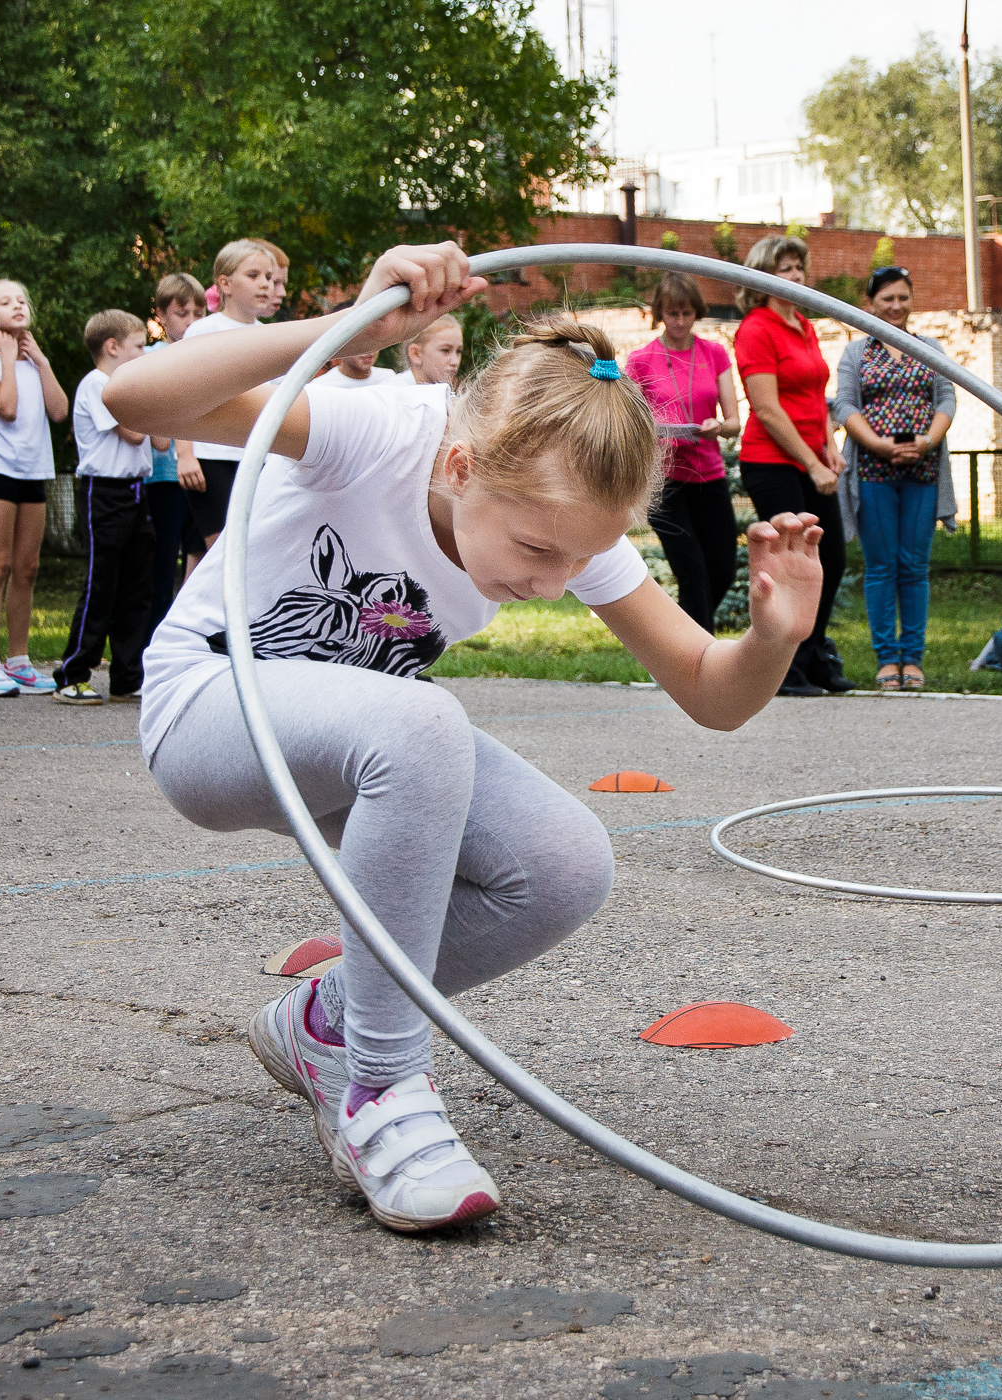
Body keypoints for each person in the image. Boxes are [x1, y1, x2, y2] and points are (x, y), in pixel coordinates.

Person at [108, 242, 826, 1234]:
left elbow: (712, 692)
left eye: (574, 558)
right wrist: (348, 332)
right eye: (536, 550)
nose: (550, 579)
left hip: (366, 747)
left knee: (565, 864)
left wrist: (772, 639)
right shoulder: (379, 430)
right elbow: (131, 399)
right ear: (458, 464)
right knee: (424, 722)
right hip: (211, 708)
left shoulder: (563, 519)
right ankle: (383, 1093)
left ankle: (327, 1026)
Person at [734, 234, 851, 695]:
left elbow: (814, 395)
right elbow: (767, 409)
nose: (796, 276)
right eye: (785, 269)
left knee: (833, 560)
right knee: (789, 568)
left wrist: (830, 446)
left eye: (799, 268)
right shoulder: (756, 328)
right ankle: (785, 668)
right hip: (772, 462)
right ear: (763, 278)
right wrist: (811, 463)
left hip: (811, 460)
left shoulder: (803, 324)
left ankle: (813, 654)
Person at [833, 266, 956, 691]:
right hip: (873, 472)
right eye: (887, 298)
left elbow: (947, 399)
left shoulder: (930, 348)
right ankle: (887, 658)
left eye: (903, 297)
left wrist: (927, 441)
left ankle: (913, 658)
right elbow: (845, 407)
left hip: (923, 471)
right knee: (882, 567)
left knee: (914, 566)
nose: (896, 306)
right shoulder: (856, 354)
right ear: (871, 304)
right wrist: (880, 445)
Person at [0, 277, 69, 697]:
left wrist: (40, 362)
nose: (18, 305)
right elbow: (5, 408)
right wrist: (8, 358)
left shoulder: (35, 362)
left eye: (22, 299)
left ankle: (20, 661)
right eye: (6, 302)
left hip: (33, 471)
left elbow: (59, 412)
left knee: (28, 569)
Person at [53, 310, 161, 705]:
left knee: (137, 587)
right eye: (138, 346)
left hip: (137, 491)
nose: (145, 353)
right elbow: (134, 434)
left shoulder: (132, 391)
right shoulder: (98, 385)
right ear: (112, 347)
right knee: (101, 584)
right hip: (105, 493)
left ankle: (127, 676)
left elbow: (162, 442)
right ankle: (72, 673)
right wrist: (158, 403)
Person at [624, 273, 739, 633]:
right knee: (692, 571)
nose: (679, 321)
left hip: (708, 472)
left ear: (697, 312)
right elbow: (629, 420)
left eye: (687, 313)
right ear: (660, 312)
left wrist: (717, 427)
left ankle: (683, 640)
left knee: (722, 567)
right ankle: (701, 660)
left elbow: (734, 421)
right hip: (665, 479)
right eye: (672, 313)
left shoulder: (714, 353)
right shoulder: (642, 360)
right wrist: (654, 433)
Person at [179, 240, 278, 568]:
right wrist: (185, 454)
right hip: (211, 458)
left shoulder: (271, 337)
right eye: (253, 275)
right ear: (225, 283)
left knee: (256, 553)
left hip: (257, 457)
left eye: (268, 276)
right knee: (222, 555)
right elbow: (183, 394)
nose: (265, 283)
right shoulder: (202, 331)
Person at [142, 272, 205, 644]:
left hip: (204, 474)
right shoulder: (151, 357)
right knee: (161, 568)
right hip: (162, 480)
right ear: (161, 316)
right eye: (183, 313)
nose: (191, 321)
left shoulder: (209, 355)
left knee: (198, 561)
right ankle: (153, 646)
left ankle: (185, 639)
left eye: (199, 313)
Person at [403, 314, 464, 386]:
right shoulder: (393, 393)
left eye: (459, 351)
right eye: (445, 350)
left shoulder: (447, 395)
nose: (455, 362)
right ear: (416, 353)